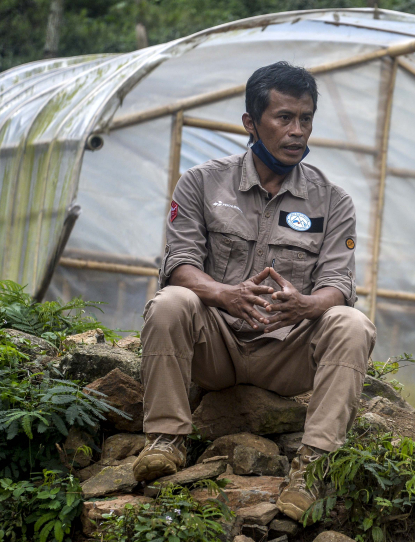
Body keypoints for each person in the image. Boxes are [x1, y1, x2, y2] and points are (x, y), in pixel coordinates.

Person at [132, 61, 376, 521]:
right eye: (284, 117)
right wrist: (223, 295)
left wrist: (307, 305)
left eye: (306, 119)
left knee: (351, 322)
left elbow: (339, 283)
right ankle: (165, 441)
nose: (298, 131)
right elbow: (179, 264)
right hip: (216, 347)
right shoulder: (202, 182)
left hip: (287, 355)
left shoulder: (333, 200)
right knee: (170, 303)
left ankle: (313, 467)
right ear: (250, 122)